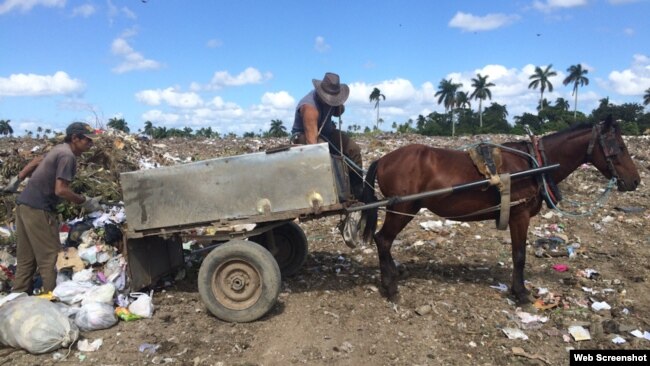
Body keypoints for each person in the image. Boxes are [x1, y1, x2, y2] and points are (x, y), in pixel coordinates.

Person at [9, 122, 104, 294]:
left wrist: (18, 179)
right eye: (88, 140)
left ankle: (17, 297)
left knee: (26, 258)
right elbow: (61, 190)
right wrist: (84, 201)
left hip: (24, 205)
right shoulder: (68, 156)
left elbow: (36, 161)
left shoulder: (59, 149)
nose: (91, 144)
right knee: (51, 258)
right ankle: (53, 299)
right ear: (75, 138)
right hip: (39, 209)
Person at [291, 72, 363, 197]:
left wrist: (338, 105)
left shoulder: (331, 103)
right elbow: (312, 145)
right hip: (305, 136)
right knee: (322, 150)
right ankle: (329, 190)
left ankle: (357, 190)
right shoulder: (309, 109)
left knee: (354, 149)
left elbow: (338, 112)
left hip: (327, 132)